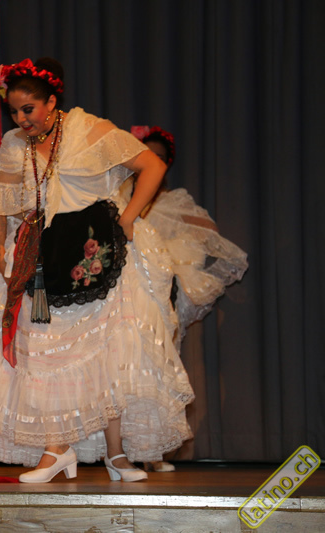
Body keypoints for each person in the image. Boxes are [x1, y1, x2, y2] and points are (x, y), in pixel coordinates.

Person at [0, 58, 194, 483]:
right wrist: (1, 254)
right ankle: (56, 450)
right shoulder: (15, 145)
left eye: (28, 109)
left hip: (99, 255)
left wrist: (128, 218)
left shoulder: (89, 130)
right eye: (14, 112)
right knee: (47, 355)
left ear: (51, 102)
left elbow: (152, 166)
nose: (21, 119)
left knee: (108, 355)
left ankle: (117, 455)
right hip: (42, 261)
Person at [125, 126, 249, 472]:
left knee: (161, 368)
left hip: (163, 294)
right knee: (126, 370)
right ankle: (122, 451)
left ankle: (153, 453)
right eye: (146, 156)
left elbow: (213, 238)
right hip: (129, 293)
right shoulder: (121, 198)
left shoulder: (175, 202)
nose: (152, 162)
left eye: (159, 158)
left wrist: (176, 261)